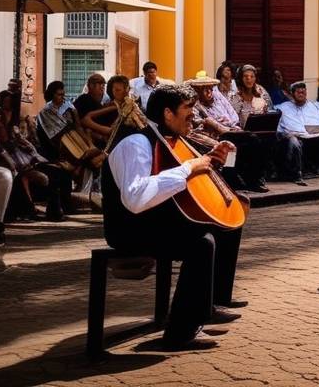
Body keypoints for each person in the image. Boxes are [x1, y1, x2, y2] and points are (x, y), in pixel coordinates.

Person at [103, 83, 244, 350]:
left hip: (156, 221)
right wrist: (189, 168)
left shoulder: (172, 140)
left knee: (226, 225)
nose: (194, 116)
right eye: (188, 110)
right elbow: (135, 198)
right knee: (201, 242)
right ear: (168, 113)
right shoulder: (137, 143)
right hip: (129, 228)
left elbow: (186, 178)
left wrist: (212, 160)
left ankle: (209, 305)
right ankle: (181, 332)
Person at [188, 71, 268, 193]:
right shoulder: (194, 104)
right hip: (213, 135)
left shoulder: (218, 99)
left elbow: (233, 116)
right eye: (204, 89)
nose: (209, 92)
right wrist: (215, 123)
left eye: (210, 88)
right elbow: (198, 122)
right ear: (197, 91)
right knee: (246, 140)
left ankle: (251, 179)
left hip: (230, 130)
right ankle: (235, 178)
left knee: (254, 141)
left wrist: (228, 124)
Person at [277, 82, 319, 185]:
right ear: (292, 94)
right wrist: (283, 133)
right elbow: (278, 124)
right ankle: (296, 174)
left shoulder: (316, 105)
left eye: (303, 92)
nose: (301, 94)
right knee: (293, 142)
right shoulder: (283, 107)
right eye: (298, 92)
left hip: (317, 134)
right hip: (296, 135)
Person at [38, 80, 105, 180]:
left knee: (95, 154)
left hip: (73, 135)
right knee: (91, 159)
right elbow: (53, 133)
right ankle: (79, 166)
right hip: (57, 142)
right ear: (52, 95)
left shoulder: (68, 105)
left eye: (63, 94)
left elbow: (78, 125)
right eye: (59, 95)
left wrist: (88, 142)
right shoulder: (46, 111)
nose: (62, 97)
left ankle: (80, 166)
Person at [74, 73, 112, 146]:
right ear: (91, 86)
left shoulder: (98, 102)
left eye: (103, 85)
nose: (102, 88)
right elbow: (83, 121)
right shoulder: (84, 99)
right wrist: (106, 130)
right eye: (100, 85)